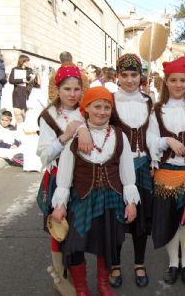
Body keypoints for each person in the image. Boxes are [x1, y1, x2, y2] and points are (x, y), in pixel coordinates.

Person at [52, 86, 139, 296]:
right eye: (97, 106)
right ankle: (81, 289)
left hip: (111, 198)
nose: (102, 111)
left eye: (107, 107)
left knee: (106, 244)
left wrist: (131, 202)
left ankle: (103, 283)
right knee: (74, 245)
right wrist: (60, 204)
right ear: (86, 108)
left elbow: (127, 172)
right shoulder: (76, 137)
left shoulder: (120, 136)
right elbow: (64, 174)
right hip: (82, 198)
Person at [77, 54, 153, 288]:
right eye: (125, 75)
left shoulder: (148, 101)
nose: (130, 80)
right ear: (117, 76)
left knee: (141, 220)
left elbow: (154, 133)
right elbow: (89, 116)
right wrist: (82, 129)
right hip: (116, 168)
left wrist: (154, 161)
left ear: (140, 76)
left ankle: (139, 263)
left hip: (142, 168)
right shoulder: (110, 100)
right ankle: (115, 264)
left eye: (134, 75)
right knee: (117, 219)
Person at [147, 56, 185, 285]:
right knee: (170, 221)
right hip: (165, 173)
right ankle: (174, 262)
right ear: (166, 82)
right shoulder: (158, 110)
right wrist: (167, 141)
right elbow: (150, 139)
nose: (178, 85)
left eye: (183, 80)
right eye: (173, 80)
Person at [37, 65, 85, 296]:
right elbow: (45, 154)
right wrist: (66, 135)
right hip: (57, 178)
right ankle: (59, 276)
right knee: (59, 227)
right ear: (58, 89)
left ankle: (75, 278)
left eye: (77, 88)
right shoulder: (48, 116)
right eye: (67, 88)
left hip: (82, 179)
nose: (72, 93)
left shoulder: (86, 111)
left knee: (77, 230)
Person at [9, 54, 35, 124]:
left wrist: (33, 78)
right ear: (22, 61)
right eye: (26, 61)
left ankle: (25, 129)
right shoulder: (15, 69)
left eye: (28, 61)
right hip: (17, 93)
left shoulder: (29, 70)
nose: (28, 63)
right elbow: (11, 80)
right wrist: (23, 80)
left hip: (26, 93)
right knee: (17, 113)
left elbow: (33, 82)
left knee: (26, 115)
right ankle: (19, 129)